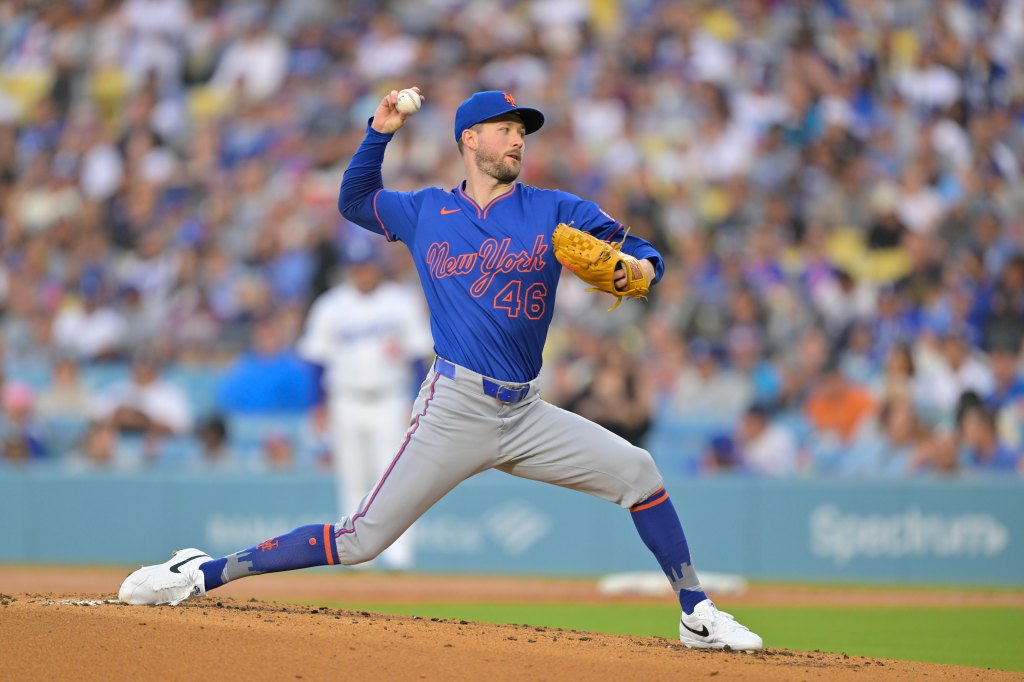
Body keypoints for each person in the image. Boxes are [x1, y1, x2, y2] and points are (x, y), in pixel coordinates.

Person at [118, 88, 762, 651]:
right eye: (507, 128)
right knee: (363, 540)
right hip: (455, 406)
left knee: (639, 471)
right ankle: (204, 571)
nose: (518, 139)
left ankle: (695, 612)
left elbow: (647, 254)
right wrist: (379, 133)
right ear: (470, 140)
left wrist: (642, 269)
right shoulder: (427, 209)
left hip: (525, 410)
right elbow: (353, 201)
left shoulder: (554, 208)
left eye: (523, 131)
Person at [297, 240, 433, 571]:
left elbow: (417, 356)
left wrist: (416, 402)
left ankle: (399, 558)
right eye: (357, 268)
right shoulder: (330, 305)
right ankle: (355, 559)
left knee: (395, 481)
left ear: (377, 267)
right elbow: (316, 360)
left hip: (390, 398)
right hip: (345, 400)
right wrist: (318, 406)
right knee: (352, 478)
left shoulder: (400, 302)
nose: (363, 273)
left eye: (367, 266)